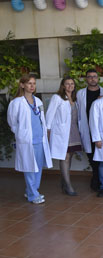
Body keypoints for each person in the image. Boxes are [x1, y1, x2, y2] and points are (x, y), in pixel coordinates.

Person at [7, 74, 53, 204]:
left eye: (34, 83)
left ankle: (31, 191)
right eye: (29, 83)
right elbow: (12, 122)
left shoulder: (37, 101)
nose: (32, 86)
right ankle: (33, 195)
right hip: (27, 141)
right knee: (29, 167)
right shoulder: (16, 102)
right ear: (22, 85)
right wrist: (20, 133)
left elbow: (41, 119)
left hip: (40, 139)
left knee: (37, 167)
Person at [46, 77, 81, 196]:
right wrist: (48, 130)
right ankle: (68, 185)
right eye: (67, 84)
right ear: (63, 85)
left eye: (72, 84)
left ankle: (64, 181)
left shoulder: (75, 99)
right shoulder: (57, 98)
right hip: (62, 132)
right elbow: (49, 114)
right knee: (64, 157)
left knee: (69, 156)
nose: (70, 86)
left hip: (73, 131)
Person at [76, 69, 103, 192]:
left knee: (101, 155)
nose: (92, 79)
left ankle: (100, 180)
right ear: (86, 79)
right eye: (89, 77)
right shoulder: (80, 93)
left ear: (98, 78)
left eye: (94, 76)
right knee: (91, 154)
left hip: (101, 129)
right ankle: (96, 177)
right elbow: (78, 111)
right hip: (87, 128)